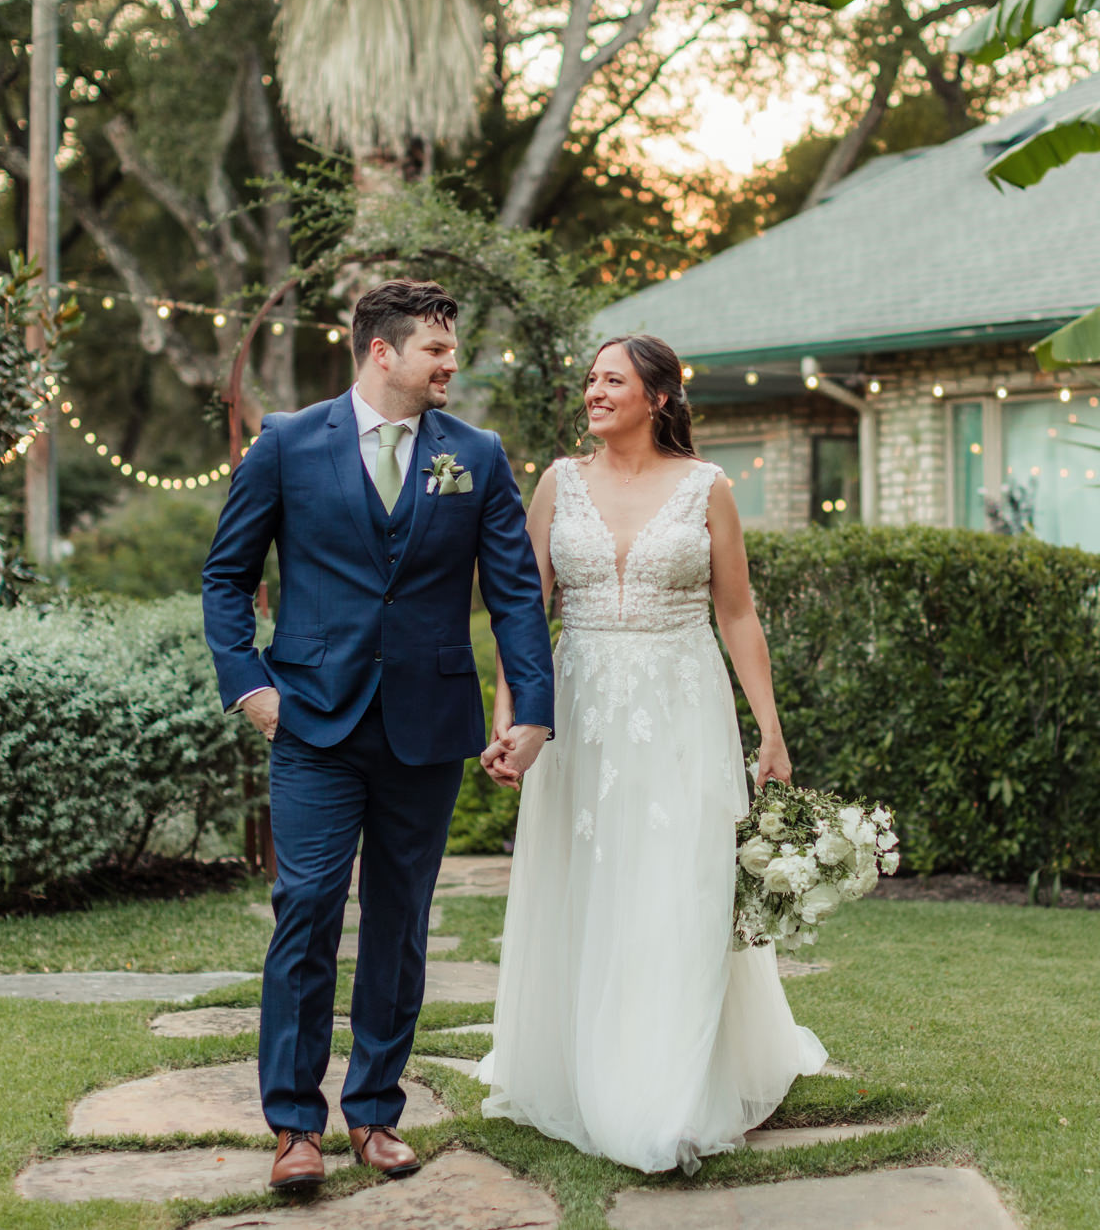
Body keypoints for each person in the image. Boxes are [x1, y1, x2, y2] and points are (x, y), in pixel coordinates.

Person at [201, 279, 555, 1191]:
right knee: (307, 909)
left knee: (400, 923)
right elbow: (225, 576)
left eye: (452, 347)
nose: (451, 364)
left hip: (428, 726)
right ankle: (293, 1126)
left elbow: (514, 589)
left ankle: (374, 1112)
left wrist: (533, 711)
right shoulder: (286, 442)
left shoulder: (474, 453)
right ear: (381, 352)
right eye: (436, 349)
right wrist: (250, 688)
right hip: (312, 719)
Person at [476, 333, 826, 1175]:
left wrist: (769, 727)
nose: (594, 392)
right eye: (591, 379)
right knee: (591, 884)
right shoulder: (560, 482)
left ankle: (667, 1089)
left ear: (658, 396)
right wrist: (510, 723)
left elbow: (737, 614)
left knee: (681, 884)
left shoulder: (708, 487)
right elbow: (522, 615)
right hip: (582, 708)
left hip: (682, 708)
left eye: (613, 380)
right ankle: (582, 1061)